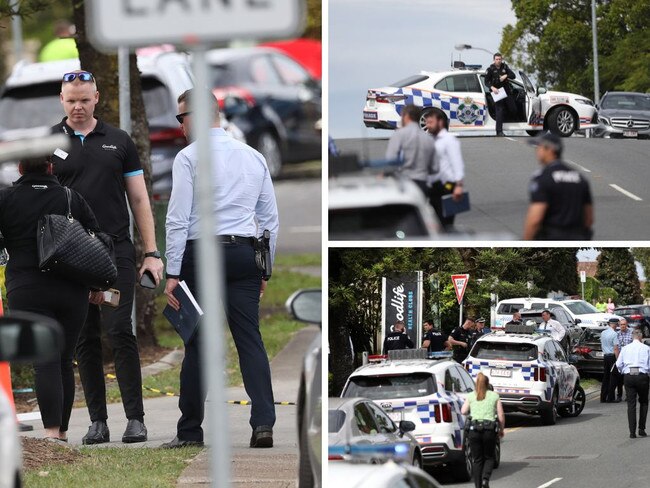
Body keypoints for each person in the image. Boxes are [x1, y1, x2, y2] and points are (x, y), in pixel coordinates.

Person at [50, 70, 165, 445]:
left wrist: (150, 252)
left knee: (119, 331)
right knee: (85, 338)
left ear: (97, 97)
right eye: (71, 100)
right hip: (70, 256)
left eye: (85, 99)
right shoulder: (50, 142)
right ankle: (97, 421)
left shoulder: (118, 141)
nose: (78, 107)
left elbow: (139, 199)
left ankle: (136, 419)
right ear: (62, 100)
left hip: (114, 251)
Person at [162, 89, 279, 449]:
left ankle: (190, 432)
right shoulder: (253, 156)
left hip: (202, 254)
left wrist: (172, 272)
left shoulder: (188, 158)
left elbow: (178, 219)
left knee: (198, 344)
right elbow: (270, 220)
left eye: (182, 118)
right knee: (250, 340)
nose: (180, 127)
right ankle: (263, 424)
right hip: (243, 254)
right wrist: (264, 270)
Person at [0, 156, 99, 442]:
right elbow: (96, 236)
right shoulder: (71, 197)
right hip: (71, 287)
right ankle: (64, 431)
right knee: (65, 360)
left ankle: (52, 432)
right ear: (51, 167)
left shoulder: (6, 199)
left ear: (20, 168)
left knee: (44, 360)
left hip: (26, 287)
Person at [523, 132, 593, 240]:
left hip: (552, 237)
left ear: (550, 150)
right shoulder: (580, 178)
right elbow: (589, 219)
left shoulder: (543, 178)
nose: (537, 151)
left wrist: (526, 242)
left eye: (539, 147)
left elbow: (535, 219)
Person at [424, 108, 465, 231]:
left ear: (440, 122)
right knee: (434, 221)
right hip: (434, 187)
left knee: (446, 222)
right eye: (426, 122)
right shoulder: (432, 140)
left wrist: (459, 185)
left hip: (447, 186)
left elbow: (457, 162)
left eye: (430, 122)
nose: (427, 126)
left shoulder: (449, 140)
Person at [461, 373, 505, 488]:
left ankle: (478, 486)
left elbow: (463, 411)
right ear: (487, 384)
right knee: (489, 458)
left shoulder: (471, 395)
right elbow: (500, 415)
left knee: (477, 460)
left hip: (474, 431)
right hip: (489, 430)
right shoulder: (494, 396)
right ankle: (485, 479)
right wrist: (501, 429)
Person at [385, 104, 438, 200]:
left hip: (404, 183)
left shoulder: (399, 135)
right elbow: (435, 168)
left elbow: (390, 161)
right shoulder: (429, 139)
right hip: (422, 183)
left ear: (406, 116)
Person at [615, 329, 650, 438]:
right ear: (641, 337)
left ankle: (632, 432)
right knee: (644, 402)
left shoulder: (625, 348)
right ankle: (641, 429)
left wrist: (623, 371)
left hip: (629, 376)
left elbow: (618, 364)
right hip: (642, 376)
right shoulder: (647, 348)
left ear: (632, 337)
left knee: (631, 404)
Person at [484, 53, 516, 137]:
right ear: (494, 60)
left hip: (506, 91)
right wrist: (492, 87)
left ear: (501, 59)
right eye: (496, 59)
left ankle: (505, 120)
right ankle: (499, 131)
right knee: (499, 110)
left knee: (513, 109)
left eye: (499, 59)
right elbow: (486, 82)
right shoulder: (490, 69)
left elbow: (513, 76)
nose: (498, 61)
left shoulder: (505, 67)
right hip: (497, 92)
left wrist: (506, 75)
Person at [601, 318, 621, 403]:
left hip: (605, 357)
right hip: (612, 357)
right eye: (617, 324)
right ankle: (610, 398)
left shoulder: (603, 333)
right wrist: (618, 359)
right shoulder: (614, 334)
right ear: (614, 324)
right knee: (613, 378)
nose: (617, 326)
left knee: (606, 377)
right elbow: (616, 348)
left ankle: (603, 397)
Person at [616, 319, 634, 401]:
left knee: (629, 378)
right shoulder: (617, 334)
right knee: (619, 379)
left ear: (627, 325)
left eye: (624, 324)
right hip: (620, 358)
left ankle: (629, 395)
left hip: (629, 358)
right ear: (619, 325)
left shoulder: (631, 333)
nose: (623, 326)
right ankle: (619, 395)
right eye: (621, 325)